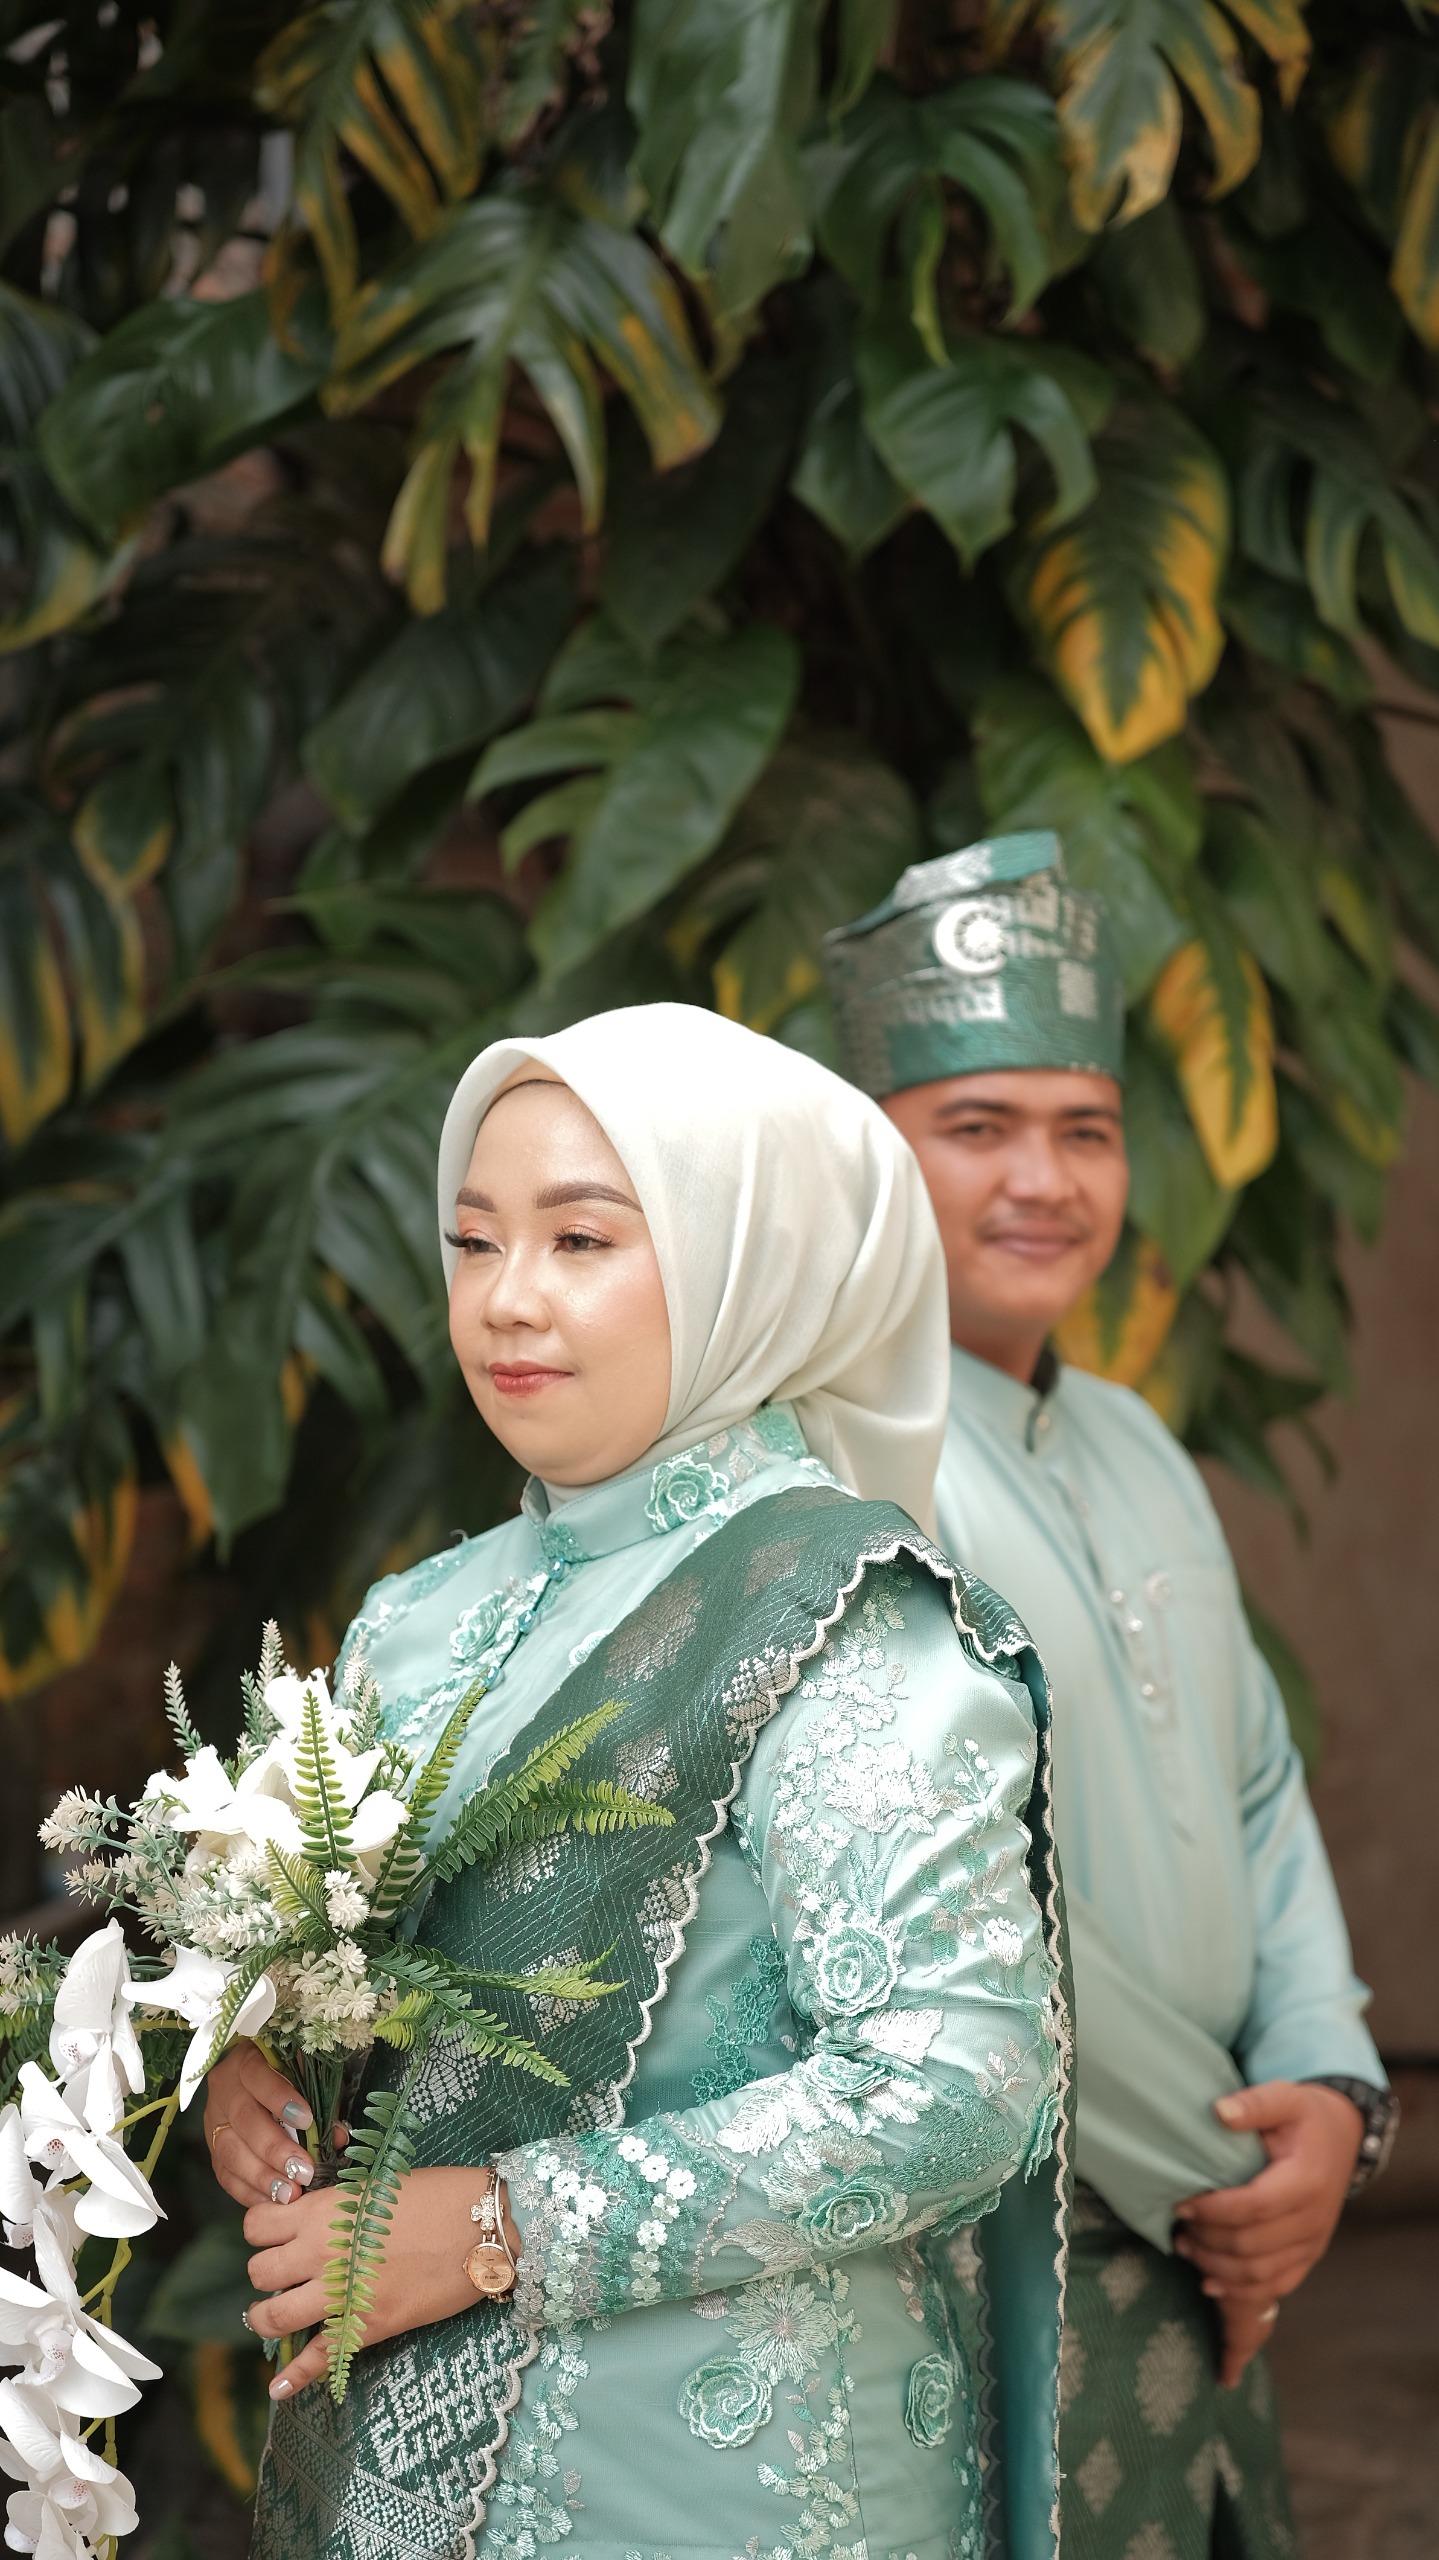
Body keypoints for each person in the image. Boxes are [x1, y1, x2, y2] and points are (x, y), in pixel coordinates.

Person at [202, 1005, 1072, 2560]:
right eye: (475, 1242)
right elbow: (373, 2000)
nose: (507, 1298)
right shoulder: (417, 1620)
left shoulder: (841, 1616)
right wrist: (256, 2069)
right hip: (401, 2465)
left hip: (722, 2486)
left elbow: (960, 2084)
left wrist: (499, 2229)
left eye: (582, 1240)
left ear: (750, 1261)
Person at [825, 835, 1397, 2560]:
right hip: (1012, 2245)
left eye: (1087, 1129)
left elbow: (1258, 1786)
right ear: (871, 1153)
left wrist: (1331, 2087)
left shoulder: (1138, 1437)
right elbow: (985, 1904)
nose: (1045, 1181)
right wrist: (1234, 2188)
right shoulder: (842, 1469)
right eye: (978, 1126)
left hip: (1224, 2231)